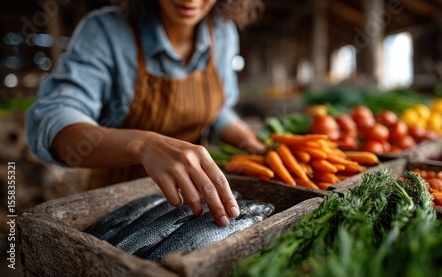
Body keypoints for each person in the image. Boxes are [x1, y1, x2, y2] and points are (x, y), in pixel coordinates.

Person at [25, 0, 266, 227]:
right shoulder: (106, 31)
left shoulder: (223, 33)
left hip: (194, 200)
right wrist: (142, 146)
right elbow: (53, 121)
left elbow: (218, 112)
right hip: (118, 207)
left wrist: (252, 144)